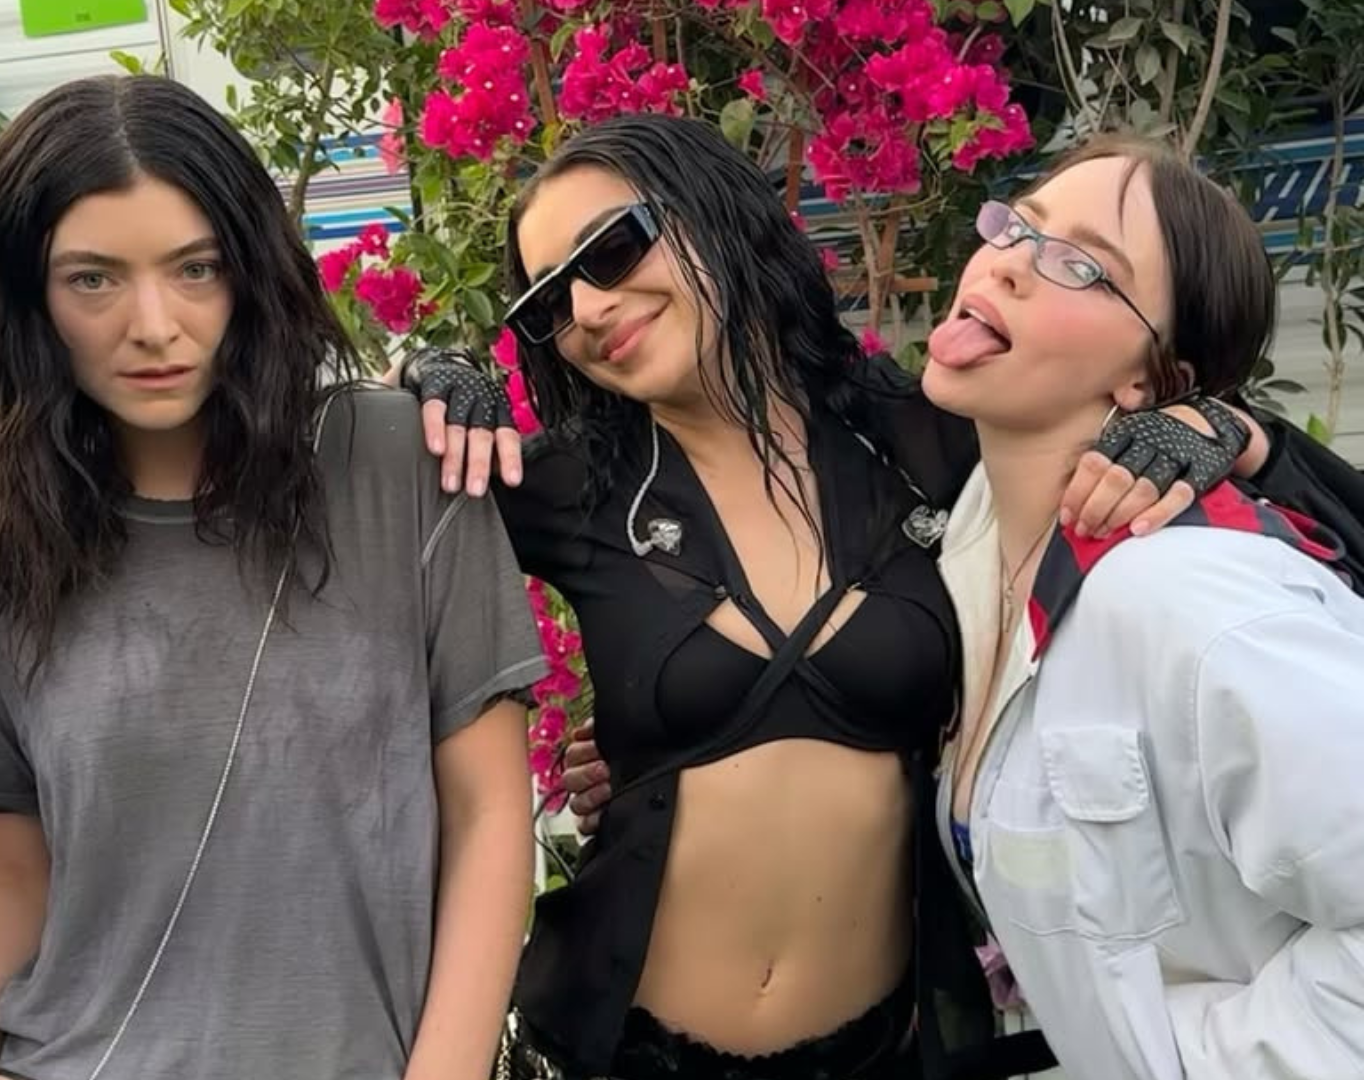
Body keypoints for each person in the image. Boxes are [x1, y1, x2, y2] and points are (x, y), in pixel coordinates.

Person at [398, 113, 1360, 1080]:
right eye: (550, 302)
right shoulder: (569, 486)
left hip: (886, 1049)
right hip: (627, 1047)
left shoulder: (922, 434)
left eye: (611, 250)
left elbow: (1142, 442)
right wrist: (423, 383)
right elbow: (355, 529)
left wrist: (1232, 431)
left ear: (712, 211)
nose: (589, 307)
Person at [0, 73, 543, 1080]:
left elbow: (491, 815)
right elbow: (18, 878)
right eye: (93, 280)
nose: (153, 324)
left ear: (249, 271)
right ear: (30, 301)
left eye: (194, 268)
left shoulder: (402, 470)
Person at [926, 134, 1364, 1080]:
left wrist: (1185, 1061)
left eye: (1081, 265)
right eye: (1019, 226)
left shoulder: (1191, 596)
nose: (1010, 263)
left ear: (1155, 380)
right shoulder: (973, 535)